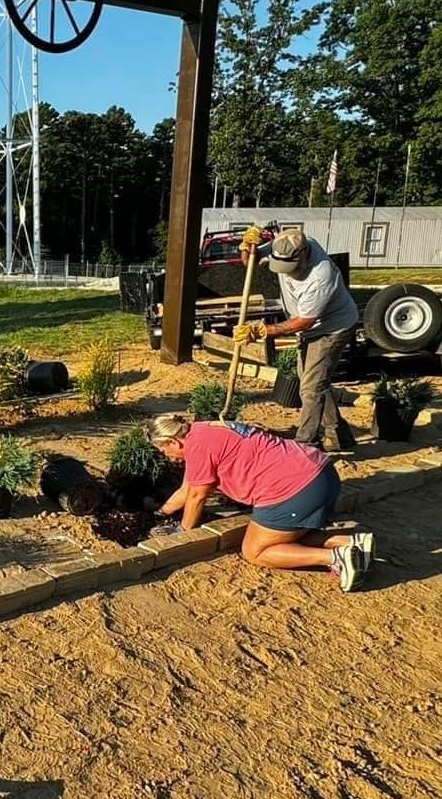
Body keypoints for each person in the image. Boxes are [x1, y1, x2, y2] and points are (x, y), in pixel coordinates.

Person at [148, 413, 374, 592]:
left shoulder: (197, 447)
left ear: (173, 441)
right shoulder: (204, 430)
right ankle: (351, 543)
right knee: (286, 534)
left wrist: (183, 530)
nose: (166, 455)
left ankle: (335, 558)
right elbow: (187, 489)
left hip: (295, 489)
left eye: (163, 450)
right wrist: (160, 513)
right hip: (321, 473)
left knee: (255, 551)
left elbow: (198, 496)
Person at [236, 229, 360, 451]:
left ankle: (306, 445)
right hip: (307, 326)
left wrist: (262, 330)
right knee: (313, 382)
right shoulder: (284, 246)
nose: (287, 273)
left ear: (303, 254)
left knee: (311, 387)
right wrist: (246, 247)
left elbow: (305, 321)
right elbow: (251, 263)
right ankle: (340, 436)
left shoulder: (321, 276)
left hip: (332, 327)